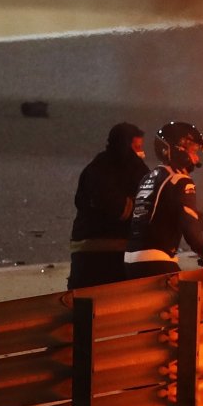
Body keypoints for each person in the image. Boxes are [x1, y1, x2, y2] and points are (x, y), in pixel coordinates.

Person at [124, 121, 203, 279]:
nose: (196, 158)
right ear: (179, 149)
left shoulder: (149, 177)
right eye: (193, 151)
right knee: (192, 297)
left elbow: (163, 210)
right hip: (157, 259)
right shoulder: (180, 180)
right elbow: (188, 222)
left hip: (131, 260)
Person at [67, 122, 150, 289]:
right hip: (104, 257)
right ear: (124, 145)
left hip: (88, 254)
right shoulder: (104, 171)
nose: (141, 153)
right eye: (137, 147)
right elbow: (120, 208)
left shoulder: (94, 168)